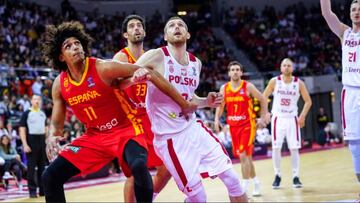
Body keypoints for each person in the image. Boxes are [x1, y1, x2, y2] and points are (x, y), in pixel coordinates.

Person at [40, 21, 194, 203]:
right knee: (50, 175)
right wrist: (51, 136)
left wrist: (183, 103)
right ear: (61, 56)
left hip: (126, 130)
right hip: (94, 137)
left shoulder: (103, 68)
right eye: (68, 46)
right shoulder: (60, 84)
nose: (75, 47)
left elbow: (149, 72)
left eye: (77, 43)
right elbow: (57, 123)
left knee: (138, 167)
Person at [134, 16, 247, 202]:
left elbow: (189, 97)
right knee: (198, 197)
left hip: (194, 129)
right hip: (171, 138)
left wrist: (206, 102)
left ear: (188, 34)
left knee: (233, 180)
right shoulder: (156, 55)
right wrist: (135, 73)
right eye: (171, 25)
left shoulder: (196, 63)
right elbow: (127, 76)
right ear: (165, 36)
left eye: (180, 25)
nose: (176, 27)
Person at [113, 15, 171, 202]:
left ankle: (148, 197)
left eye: (139, 26)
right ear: (125, 34)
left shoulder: (152, 57)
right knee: (135, 171)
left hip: (151, 119)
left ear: (144, 32)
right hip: (130, 121)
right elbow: (113, 86)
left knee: (167, 168)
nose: (136, 28)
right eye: (132, 26)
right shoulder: (121, 57)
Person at [214, 61, 269, 196]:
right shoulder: (224, 89)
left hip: (248, 125)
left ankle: (243, 189)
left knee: (243, 155)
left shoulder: (248, 86)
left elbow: (262, 99)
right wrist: (216, 119)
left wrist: (263, 116)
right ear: (229, 73)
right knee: (247, 158)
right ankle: (256, 182)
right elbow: (220, 106)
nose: (235, 72)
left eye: (237, 69)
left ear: (241, 72)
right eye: (232, 70)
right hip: (233, 126)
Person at [321, 0, 360, 187]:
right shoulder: (345, 32)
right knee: (354, 145)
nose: (356, 12)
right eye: (354, 9)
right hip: (351, 93)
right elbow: (327, 13)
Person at [263, 58, 312, 189]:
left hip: (292, 118)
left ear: (292, 68)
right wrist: (265, 112)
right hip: (278, 118)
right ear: (280, 68)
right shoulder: (274, 81)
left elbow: (308, 101)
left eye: (288, 65)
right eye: (284, 65)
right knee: (276, 148)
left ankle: (296, 176)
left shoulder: (299, 83)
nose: (286, 67)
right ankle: (277, 175)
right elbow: (264, 96)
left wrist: (302, 116)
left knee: (294, 148)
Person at [19, 94, 47, 197]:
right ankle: (32, 191)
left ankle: (43, 190)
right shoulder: (26, 113)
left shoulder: (42, 113)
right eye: (35, 99)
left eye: (38, 99)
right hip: (31, 141)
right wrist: (25, 144)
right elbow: (22, 129)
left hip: (42, 141)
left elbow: (46, 128)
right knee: (31, 168)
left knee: (42, 168)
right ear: (31, 101)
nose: (37, 101)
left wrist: (47, 142)